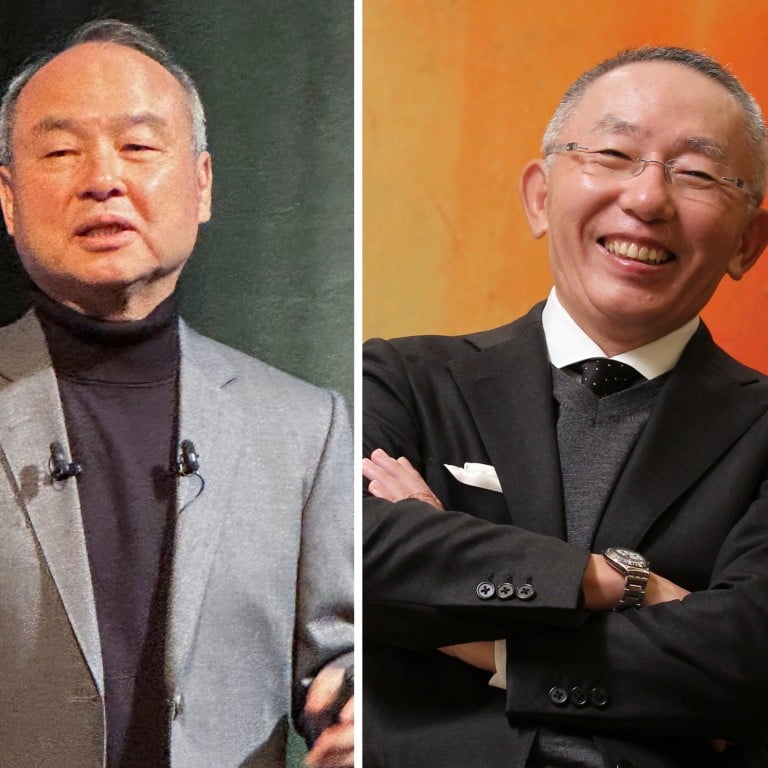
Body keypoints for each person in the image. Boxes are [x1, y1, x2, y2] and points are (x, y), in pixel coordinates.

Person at [362, 46, 768, 768]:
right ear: (539, 197)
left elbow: (749, 656)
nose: (647, 199)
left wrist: (482, 634)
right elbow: (357, 555)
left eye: (697, 173)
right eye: (613, 154)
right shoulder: (401, 379)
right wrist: (623, 583)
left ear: (748, 241)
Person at [0, 19, 353, 768]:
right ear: (8, 198)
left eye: (138, 146)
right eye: (61, 152)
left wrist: (358, 707)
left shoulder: (304, 427)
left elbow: (339, 658)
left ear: (202, 185)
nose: (102, 179)